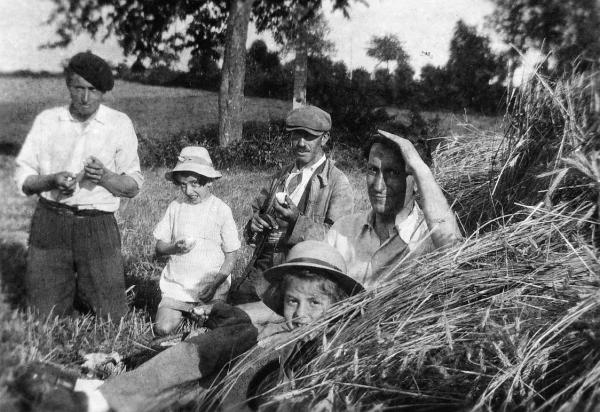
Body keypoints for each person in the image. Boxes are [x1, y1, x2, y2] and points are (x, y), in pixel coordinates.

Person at [12, 241, 364, 412]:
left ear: (336, 306)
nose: (301, 312)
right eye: (292, 300)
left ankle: (93, 396)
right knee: (204, 354)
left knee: (198, 368)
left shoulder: (333, 347)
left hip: (234, 398)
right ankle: (89, 392)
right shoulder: (279, 329)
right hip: (213, 382)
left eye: (315, 303)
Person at [14, 52, 143, 319]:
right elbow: (24, 181)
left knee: (112, 317)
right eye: (78, 88)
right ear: (68, 86)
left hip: (97, 226)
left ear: (104, 92)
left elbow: (133, 186)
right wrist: (51, 180)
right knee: (43, 317)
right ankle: (63, 288)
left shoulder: (119, 123)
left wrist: (105, 177)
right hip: (51, 221)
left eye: (93, 90)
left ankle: (84, 287)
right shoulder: (48, 121)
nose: (85, 98)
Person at [230, 105, 354, 305]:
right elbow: (255, 216)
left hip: (300, 275)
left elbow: (337, 241)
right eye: (296, 136)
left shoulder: (337, 182)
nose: (301, 143)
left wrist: (297, 220)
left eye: (309, 137)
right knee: (231, 307)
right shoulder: (281, 176)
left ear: (325, 138)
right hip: (263, 268)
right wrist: (253, 225)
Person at [326, 130, 462, 289]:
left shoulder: (429, 240)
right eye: (373, 170)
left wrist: (420, 167)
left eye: (393, 173)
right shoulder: (342, 230)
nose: (378, 186)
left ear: (417, 180)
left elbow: (456, 258)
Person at [153, 146, 241, 335]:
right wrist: (173, 248)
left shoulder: (221, 210)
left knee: (214, 332)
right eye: (183, 185)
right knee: (163, 328)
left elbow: (231, 256)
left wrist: (215, 285)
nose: (189, 190)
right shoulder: (176, 207)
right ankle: (180, 311)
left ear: (209, 182)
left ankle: (205, 313)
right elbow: (159, 247)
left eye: (194, 184)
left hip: (211, 288)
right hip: (177, 287)